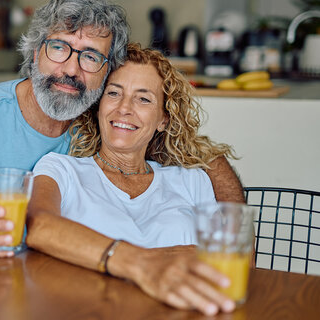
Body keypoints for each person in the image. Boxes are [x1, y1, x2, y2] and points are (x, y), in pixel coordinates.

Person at [0, 0, 243, 259]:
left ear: (106, 72)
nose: (71, 69)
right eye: (59, 47)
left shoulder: (101, 120)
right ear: (35, 50)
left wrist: (233, 246)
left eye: (91, 56)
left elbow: (198, 156)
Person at [26, 44, 241, 316]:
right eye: (114, 93)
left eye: (143, 99)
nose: (125, 108)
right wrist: (150, 260)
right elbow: (40, 227)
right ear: (98, 105)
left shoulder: (192, 180)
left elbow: (225, 262)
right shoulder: (61, 169)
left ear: (163, 119)